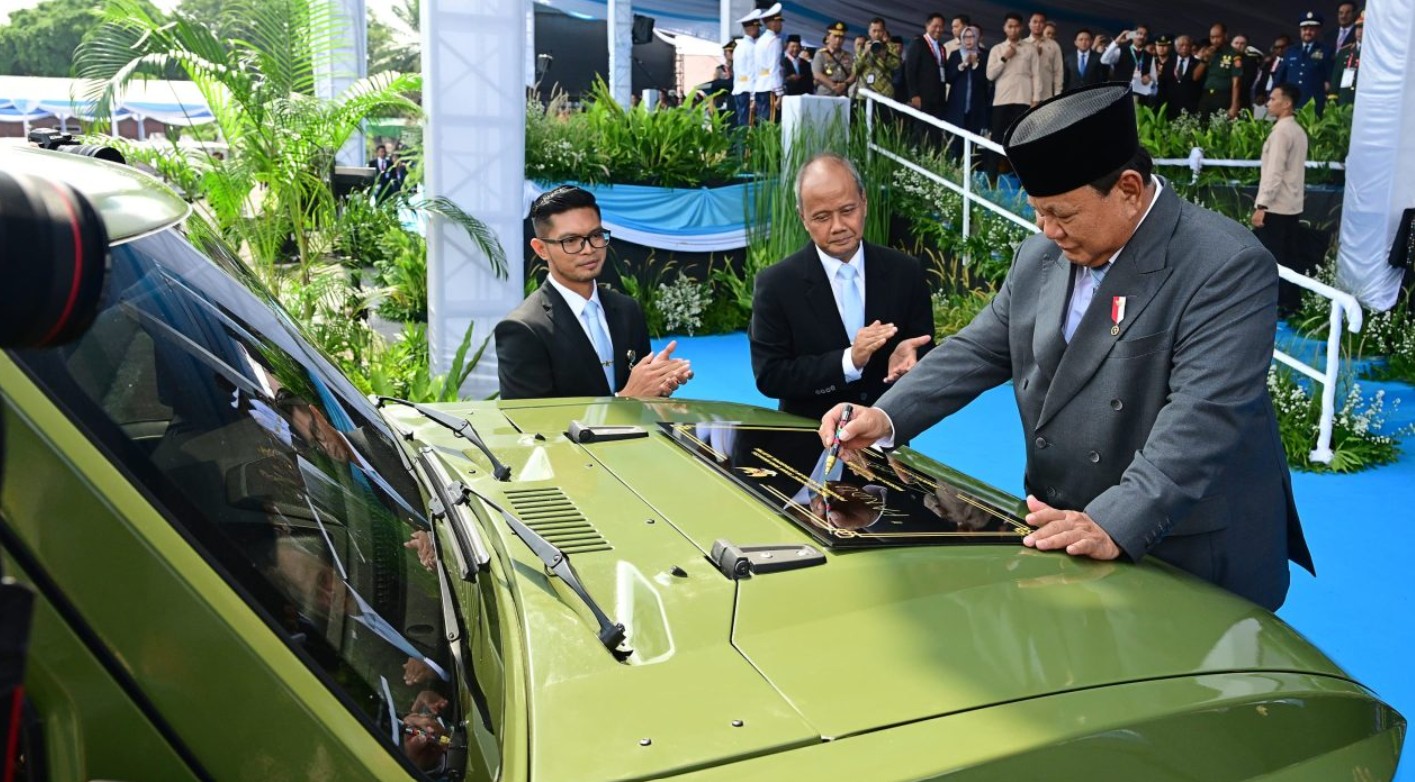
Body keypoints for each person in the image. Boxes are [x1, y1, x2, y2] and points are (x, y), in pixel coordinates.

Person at [819, 83, 1312, 612]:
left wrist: (1116, 519)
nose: (1048, 230)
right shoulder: (1041, 255)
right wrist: (885, 416)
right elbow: (980, 349)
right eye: (1038, 212)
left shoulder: (1225, 264)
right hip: (1069, 527)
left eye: (1064, 214)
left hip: (1180, 544)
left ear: (1128, 190)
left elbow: (1204, 414)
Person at [750, 154, 934, 421]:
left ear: (864, 202)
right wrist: (849, 361)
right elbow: (771, 376)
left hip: (887, 432)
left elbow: (925, 345)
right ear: (803, 218)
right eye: (822, 217)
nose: (838, 227)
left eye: (847, 211)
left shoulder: (905, 271)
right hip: (808, 437)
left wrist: (912, 356)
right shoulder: (776, 284)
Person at [496, 186, 692, 400]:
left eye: (596, 235)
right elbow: (528, 418)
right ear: (541, 249)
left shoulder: (628, 309)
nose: (589, 249)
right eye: (570, 240)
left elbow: (641, 395)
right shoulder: (523, 329)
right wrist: (626, 398)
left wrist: (656, 382)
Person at [1252, 83, 1311, 314]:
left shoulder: (1281, 133)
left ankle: (1278, 304)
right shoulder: (1297, 130)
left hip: (1275, 206)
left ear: (1287, 104)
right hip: (1291, 205)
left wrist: (1262, 205)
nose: (1269, 103)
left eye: (1273, 99)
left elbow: (1274, 172)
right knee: (1289, 257)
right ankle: (1291, 303)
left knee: (1274, 258)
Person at [986, 13, 1041, 178]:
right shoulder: (997, 49)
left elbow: (1036, 75)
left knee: (1021, 140)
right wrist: (1004, 58)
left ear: (1021, 28)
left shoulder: (1030, 49)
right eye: (1010, 26)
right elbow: (990, 75)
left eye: (1016, 26)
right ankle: (991, 177)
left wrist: (1036, 99)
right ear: (1004, 28)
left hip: (1023, 100)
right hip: (1001, 101)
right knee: (996, 139)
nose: (1013, 30)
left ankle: (1022, 179)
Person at [943, 26, 989, 164]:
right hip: (957, 108)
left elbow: (987, 80)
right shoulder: (955, 55)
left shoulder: (984, 55)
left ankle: (971, 173)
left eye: (972, 36)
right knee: (955, 144)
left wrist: (975, 65)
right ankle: (954, 170)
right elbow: (948, 78)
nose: (968, 40)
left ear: (977, 38)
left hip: (976, 107)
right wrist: (961, 66)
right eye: (965, 37)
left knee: (973, 145)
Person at [1275, 11, 1335, 115]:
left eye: (1311, 29)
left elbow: (1331, 79)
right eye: (1304, 29)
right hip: (1290, 104)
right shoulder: (1291, 51)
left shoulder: (1326, 51)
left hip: (1314, 105)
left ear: (1318, 30)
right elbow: (1280, 77)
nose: (1307, 32)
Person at [906, 13, 950, 149]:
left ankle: (932, 157)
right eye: (935, 26)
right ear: (927, 26)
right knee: (920, 129)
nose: (938, 30)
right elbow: (910, 70)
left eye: (941, 27)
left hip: (938, 98)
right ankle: (915, 155)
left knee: (935, 132)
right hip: (922, 96)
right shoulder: (918, 43)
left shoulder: (942, 48)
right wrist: (914, 94)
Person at [1195, 23, 1243, 119]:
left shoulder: (1233, 54)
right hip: (1207, 95)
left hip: (1223, 96)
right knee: (1202, 124)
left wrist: (1234, 105)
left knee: (1219, 125)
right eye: (1212, 37)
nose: (1215, 40)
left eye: (1218, 37)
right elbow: (1195, 76)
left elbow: (1236, 83)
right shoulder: (1209, 52)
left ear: (1225, 36)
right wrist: (1205, 59)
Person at [1100, 25, 1154, 102]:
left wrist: (1151, 78)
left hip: (1140, 97)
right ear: (1132, 35)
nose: (1142, 37)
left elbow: (1153, 80)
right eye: (1139, 33)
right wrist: (1117, 41)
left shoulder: (1150, 57)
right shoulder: (1121, 50)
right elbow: (1104, 60)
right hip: (1119, 94)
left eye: (1145, 35)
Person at [854, 17, 901, 100]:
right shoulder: (862, 48)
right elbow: (855, 70)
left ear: (884, 32)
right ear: (869, 31)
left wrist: (884, 55)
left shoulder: (891, 47)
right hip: (864, 93)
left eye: (879, 31)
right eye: (874, 31)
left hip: (884, 93)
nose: (876, 34)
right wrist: (865, 53)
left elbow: (897, 66)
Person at [754, 3, 786, 122]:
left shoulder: (760, 41)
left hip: (760, 86)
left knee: (762, 122)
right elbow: (774, 68)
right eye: (779, 21)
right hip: (771, 88)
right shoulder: (774, 41)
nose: (781, 25)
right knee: (771, 124)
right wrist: (779, 93)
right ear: (772, 23)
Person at [731, 9, 762, 127]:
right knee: (749, 127)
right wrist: (753, 97)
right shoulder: (751, 48)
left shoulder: (739, 47)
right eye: (757, 26)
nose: (759, 29)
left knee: (743, 125)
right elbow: (752, 73)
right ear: (752, 28)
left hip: (740, 90)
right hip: (748, 92)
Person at [1026, 12, 1064, 101]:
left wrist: (1057, 94)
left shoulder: (1054, 46)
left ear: (1045, 25)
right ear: (1029, 24)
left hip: (1046, 96)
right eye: (1035, 22)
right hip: (1025, 96)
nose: (1037, 25)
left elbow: (1058, 71)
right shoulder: (1022, 44)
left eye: (1041, 22)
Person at [813, 21, 856, 98]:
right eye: (835, 36)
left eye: (841, 37)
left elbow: (853, 74)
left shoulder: (849, 56)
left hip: (843, 94)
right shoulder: (820, 54)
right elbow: (817, 74)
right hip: (825, 94)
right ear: (828, 37)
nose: (838, 40)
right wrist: (833, 86)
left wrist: (845, 84)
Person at [1166, 34, 1203, 117]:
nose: (1184, 47)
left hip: (1191, 107)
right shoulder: (1169, 62)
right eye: (1181, 45)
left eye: (1187, 45)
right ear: (1175, 47)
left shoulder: (1197, 64)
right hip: (1171, 107)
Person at [1334, 13, 1362, 105]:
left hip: (1362, 98)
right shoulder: (1345, 51)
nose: (1360, 31)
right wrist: (1333, 98)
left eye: (1363, 28)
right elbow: (1336, 76)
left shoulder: (1373, 52)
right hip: (1345, 99)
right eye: (1358, 27)